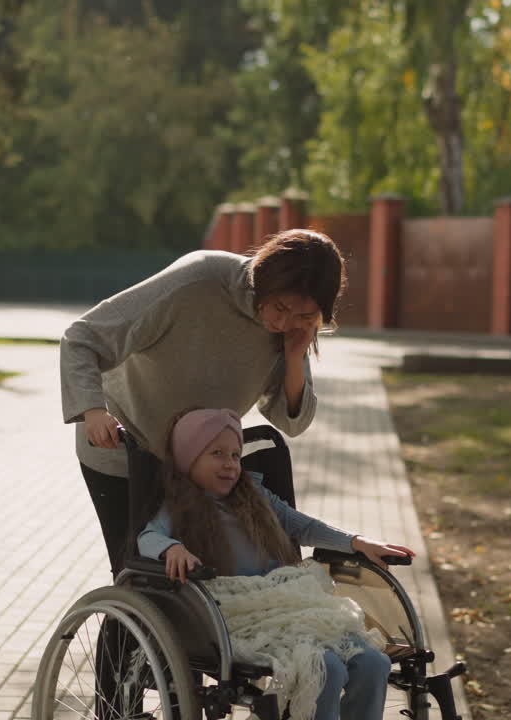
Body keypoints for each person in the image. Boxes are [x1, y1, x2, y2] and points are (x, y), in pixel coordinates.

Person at [59, 229, 347, 576]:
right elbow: (82, 337)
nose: (283, 323)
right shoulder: (199, 280)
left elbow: (292, 422)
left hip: (198, 467)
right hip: (125, 448)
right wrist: (93, 411)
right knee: (140, 576)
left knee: (199, 582)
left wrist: (295, 355)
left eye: (303, 316)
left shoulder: (292, 329)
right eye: (280, 307)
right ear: (264, 277)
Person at [138, 407, 415, 720]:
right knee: (326, 669)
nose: (230, 464)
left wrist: (357, 542)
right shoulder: (178, 506)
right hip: (237, 612)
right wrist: (171, 548)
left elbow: (304, 526)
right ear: (189, 459)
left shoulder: (254, 494)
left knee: (374, 663)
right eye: (217, 453)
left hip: (290, 601)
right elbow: (148, 537)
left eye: (235, 455)